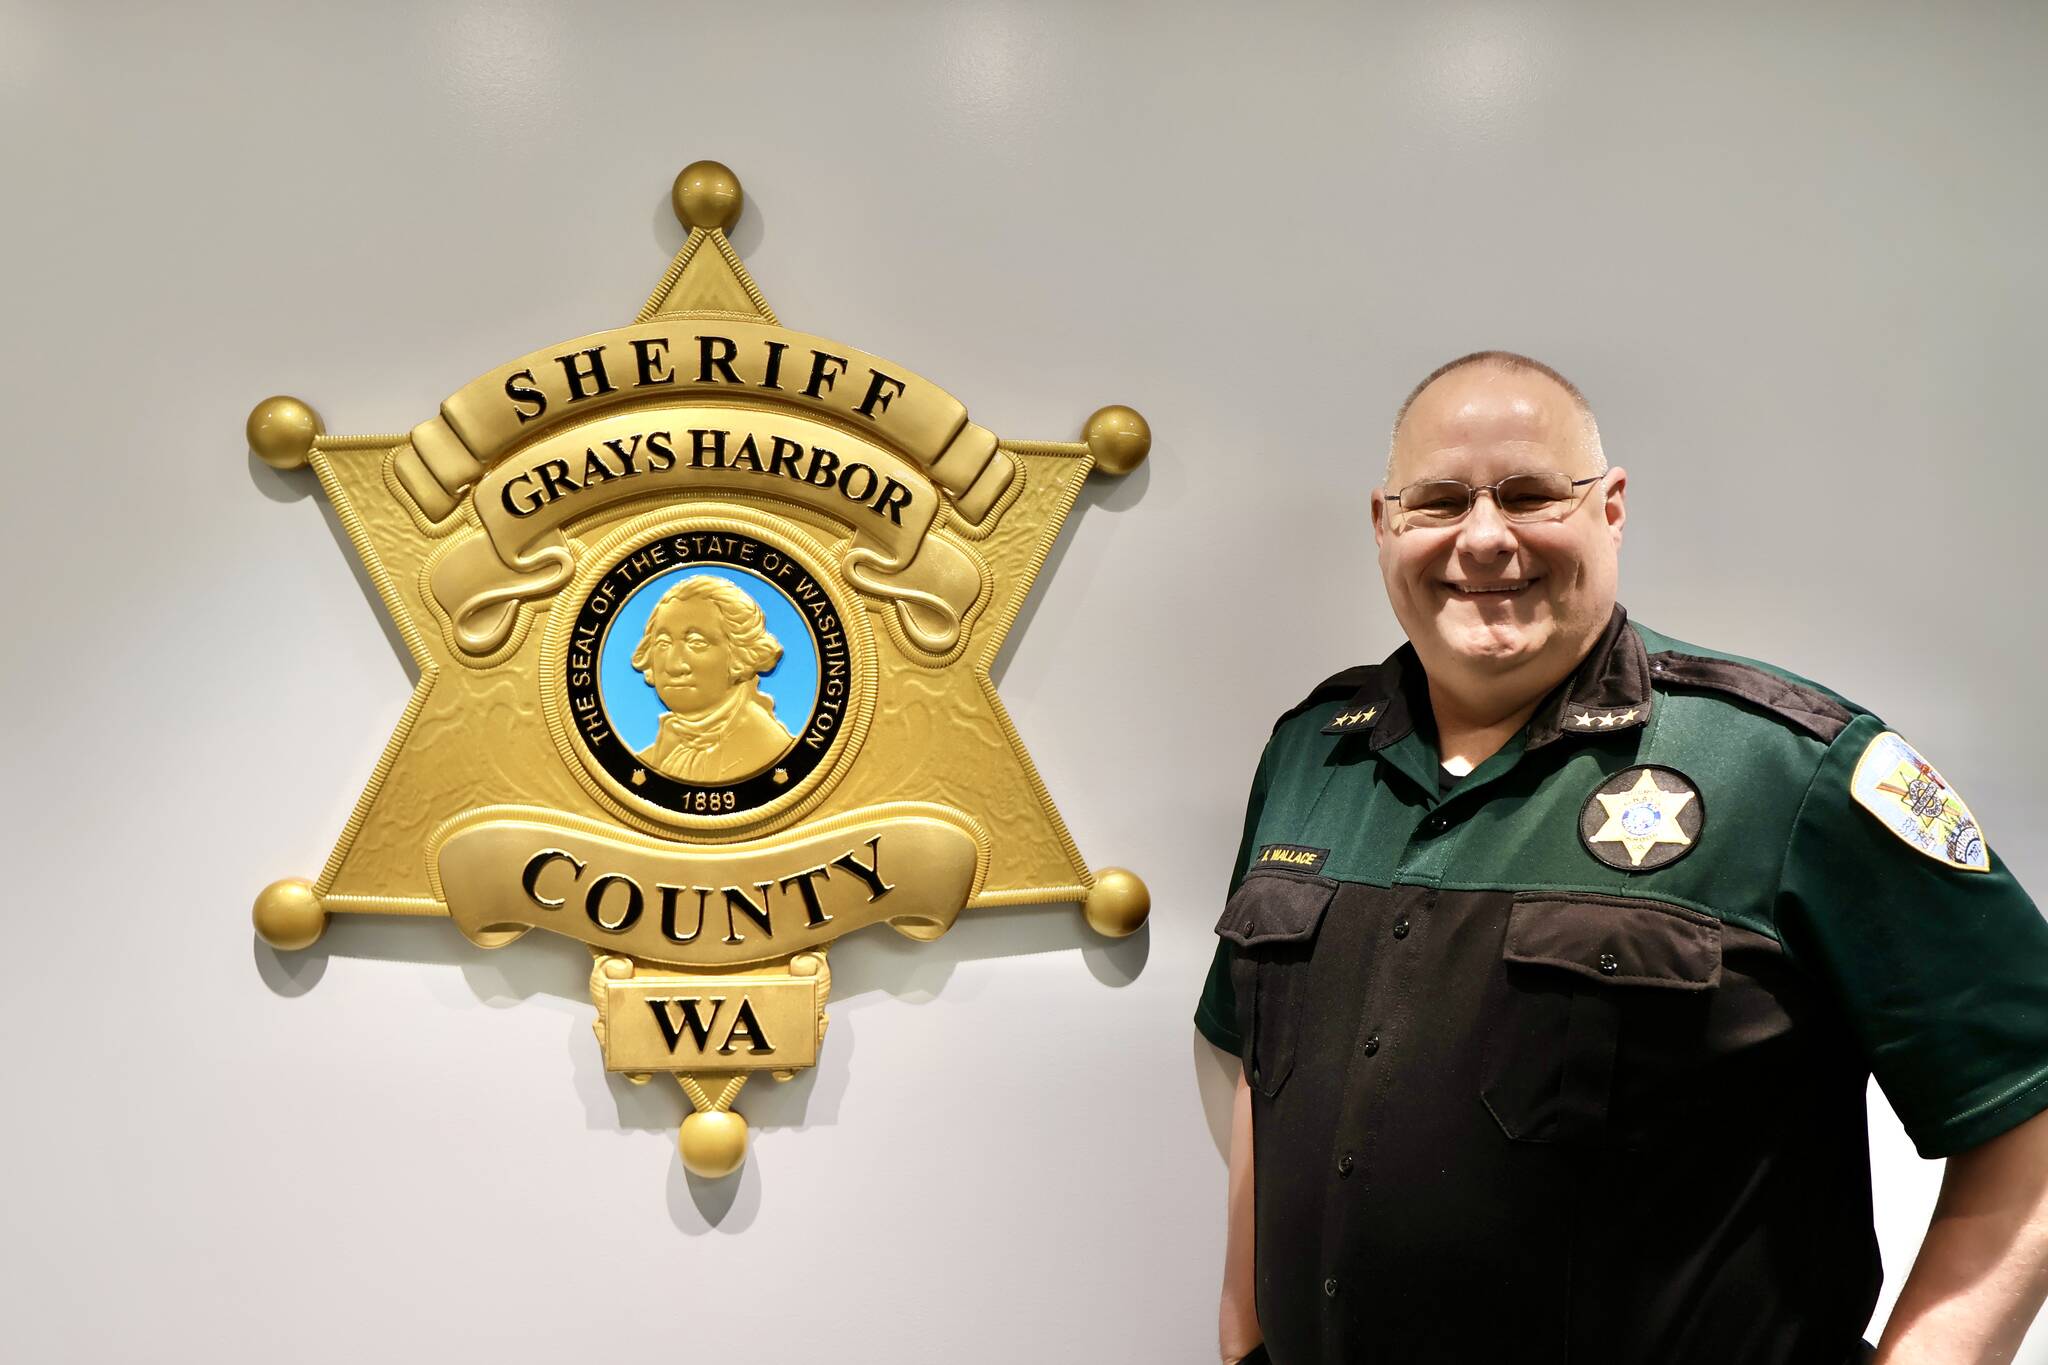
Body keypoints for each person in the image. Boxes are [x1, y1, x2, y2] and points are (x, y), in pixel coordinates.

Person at [1194, 351, 2048, 1365]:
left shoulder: (1787, 771)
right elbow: (1254, 1054)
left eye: (1525, 495)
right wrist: (1242, 1323)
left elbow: (2027, 1113)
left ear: (1609, 508)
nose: (1481, 538)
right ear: (1385, 524)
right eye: (1437, 502)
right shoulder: (1311, 754)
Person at [631, 574, 796, 783]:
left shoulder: (772, 750)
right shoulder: (648, 761)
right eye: (663, 644)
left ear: (740, 654)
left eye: (696, 643)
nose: (673, 666)